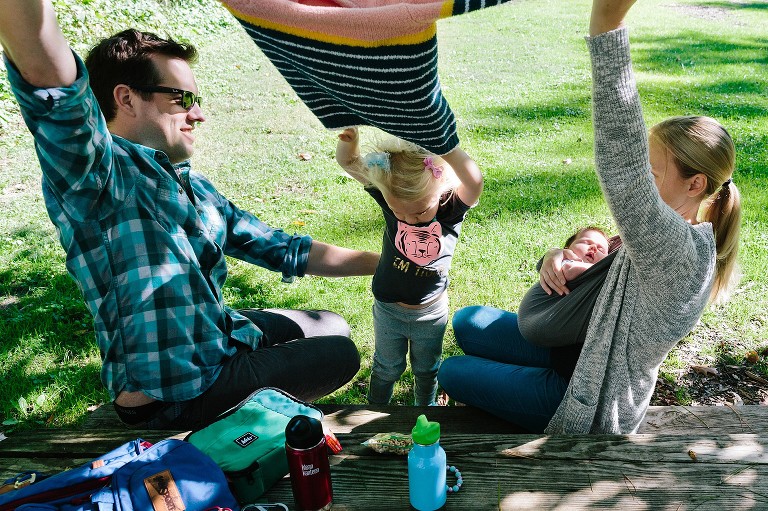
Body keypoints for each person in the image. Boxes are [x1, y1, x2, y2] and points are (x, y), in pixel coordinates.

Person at [0, 1, 381, 430]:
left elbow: (283, 248)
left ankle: (251, 378)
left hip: (213, 341)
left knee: (330, 324)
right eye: (183, 99)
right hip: (177, 393)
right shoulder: (97, 176)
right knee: (340, 355)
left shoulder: (190, 184)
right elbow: (44, 70)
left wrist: (390, 262)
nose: (197, 114)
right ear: (126, 98)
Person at [438, 0, 741, 433]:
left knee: (452, 372)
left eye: (650, 173)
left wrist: (607, 26)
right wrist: (556, 258)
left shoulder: (676, 248)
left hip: (586, 392)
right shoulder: (667, 233)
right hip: (581, 344)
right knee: (468, 321)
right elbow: (600, 282)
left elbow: (622, 169)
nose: (642, 181)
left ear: (695, 185)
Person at [336, 127, 483, 406]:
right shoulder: (389, 194)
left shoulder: (449, 209)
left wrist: (446, 148)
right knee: (386, 368)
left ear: (440, 191)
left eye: (419, 212)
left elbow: (474, 182)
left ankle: (424, 414)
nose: (410, 220)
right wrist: (350, 143)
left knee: (427, 371)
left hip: (430, 312)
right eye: (399, 212)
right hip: (388, 308)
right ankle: (373, 413)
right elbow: (348, 163)